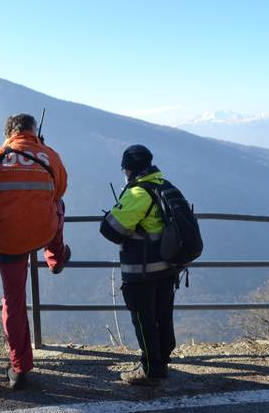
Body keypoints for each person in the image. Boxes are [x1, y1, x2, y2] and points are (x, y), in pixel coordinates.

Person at [0, 113, 71, 390]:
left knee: (13, 301)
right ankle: (56, 257)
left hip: (8, 241)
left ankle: (19, 367)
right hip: (43, 233)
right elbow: (59, 191)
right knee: (59, 207)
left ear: (9, 133)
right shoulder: (50, 155)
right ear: (33, 131)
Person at [99, 144, 178, 386]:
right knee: (163, 315)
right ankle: (162, 361)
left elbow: (110, 230)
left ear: (129, 169)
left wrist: (114, 212)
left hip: (143, 269)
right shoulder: (164, 185)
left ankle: (151, 369)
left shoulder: (138, 193)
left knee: (143, 318)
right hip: (168, 266)